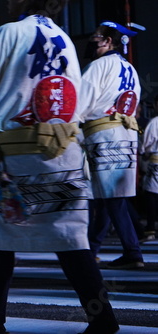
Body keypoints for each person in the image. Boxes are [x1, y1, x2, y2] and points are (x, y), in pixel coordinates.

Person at [0, 1, 119, 333]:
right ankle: (102, 318)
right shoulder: (64, 38)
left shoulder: (10, 33)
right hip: (65, 149)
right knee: (68, 237)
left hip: (20, 153)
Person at [80, 21, 144, 269]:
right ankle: (94, 247)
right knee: (109, 194)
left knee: (110, 196)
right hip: (127, 131)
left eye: (97, 37)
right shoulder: (129, 68)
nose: (93, 41)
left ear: (108, 41)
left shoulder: (99, 65)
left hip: (104, 132)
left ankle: (132, 251)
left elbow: (83, 101)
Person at [137, 95, 158, 242]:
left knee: (152, 195)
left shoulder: (155, 122)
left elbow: (145, 144)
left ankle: (151, 228)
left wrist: (143, 152)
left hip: (156, 161)